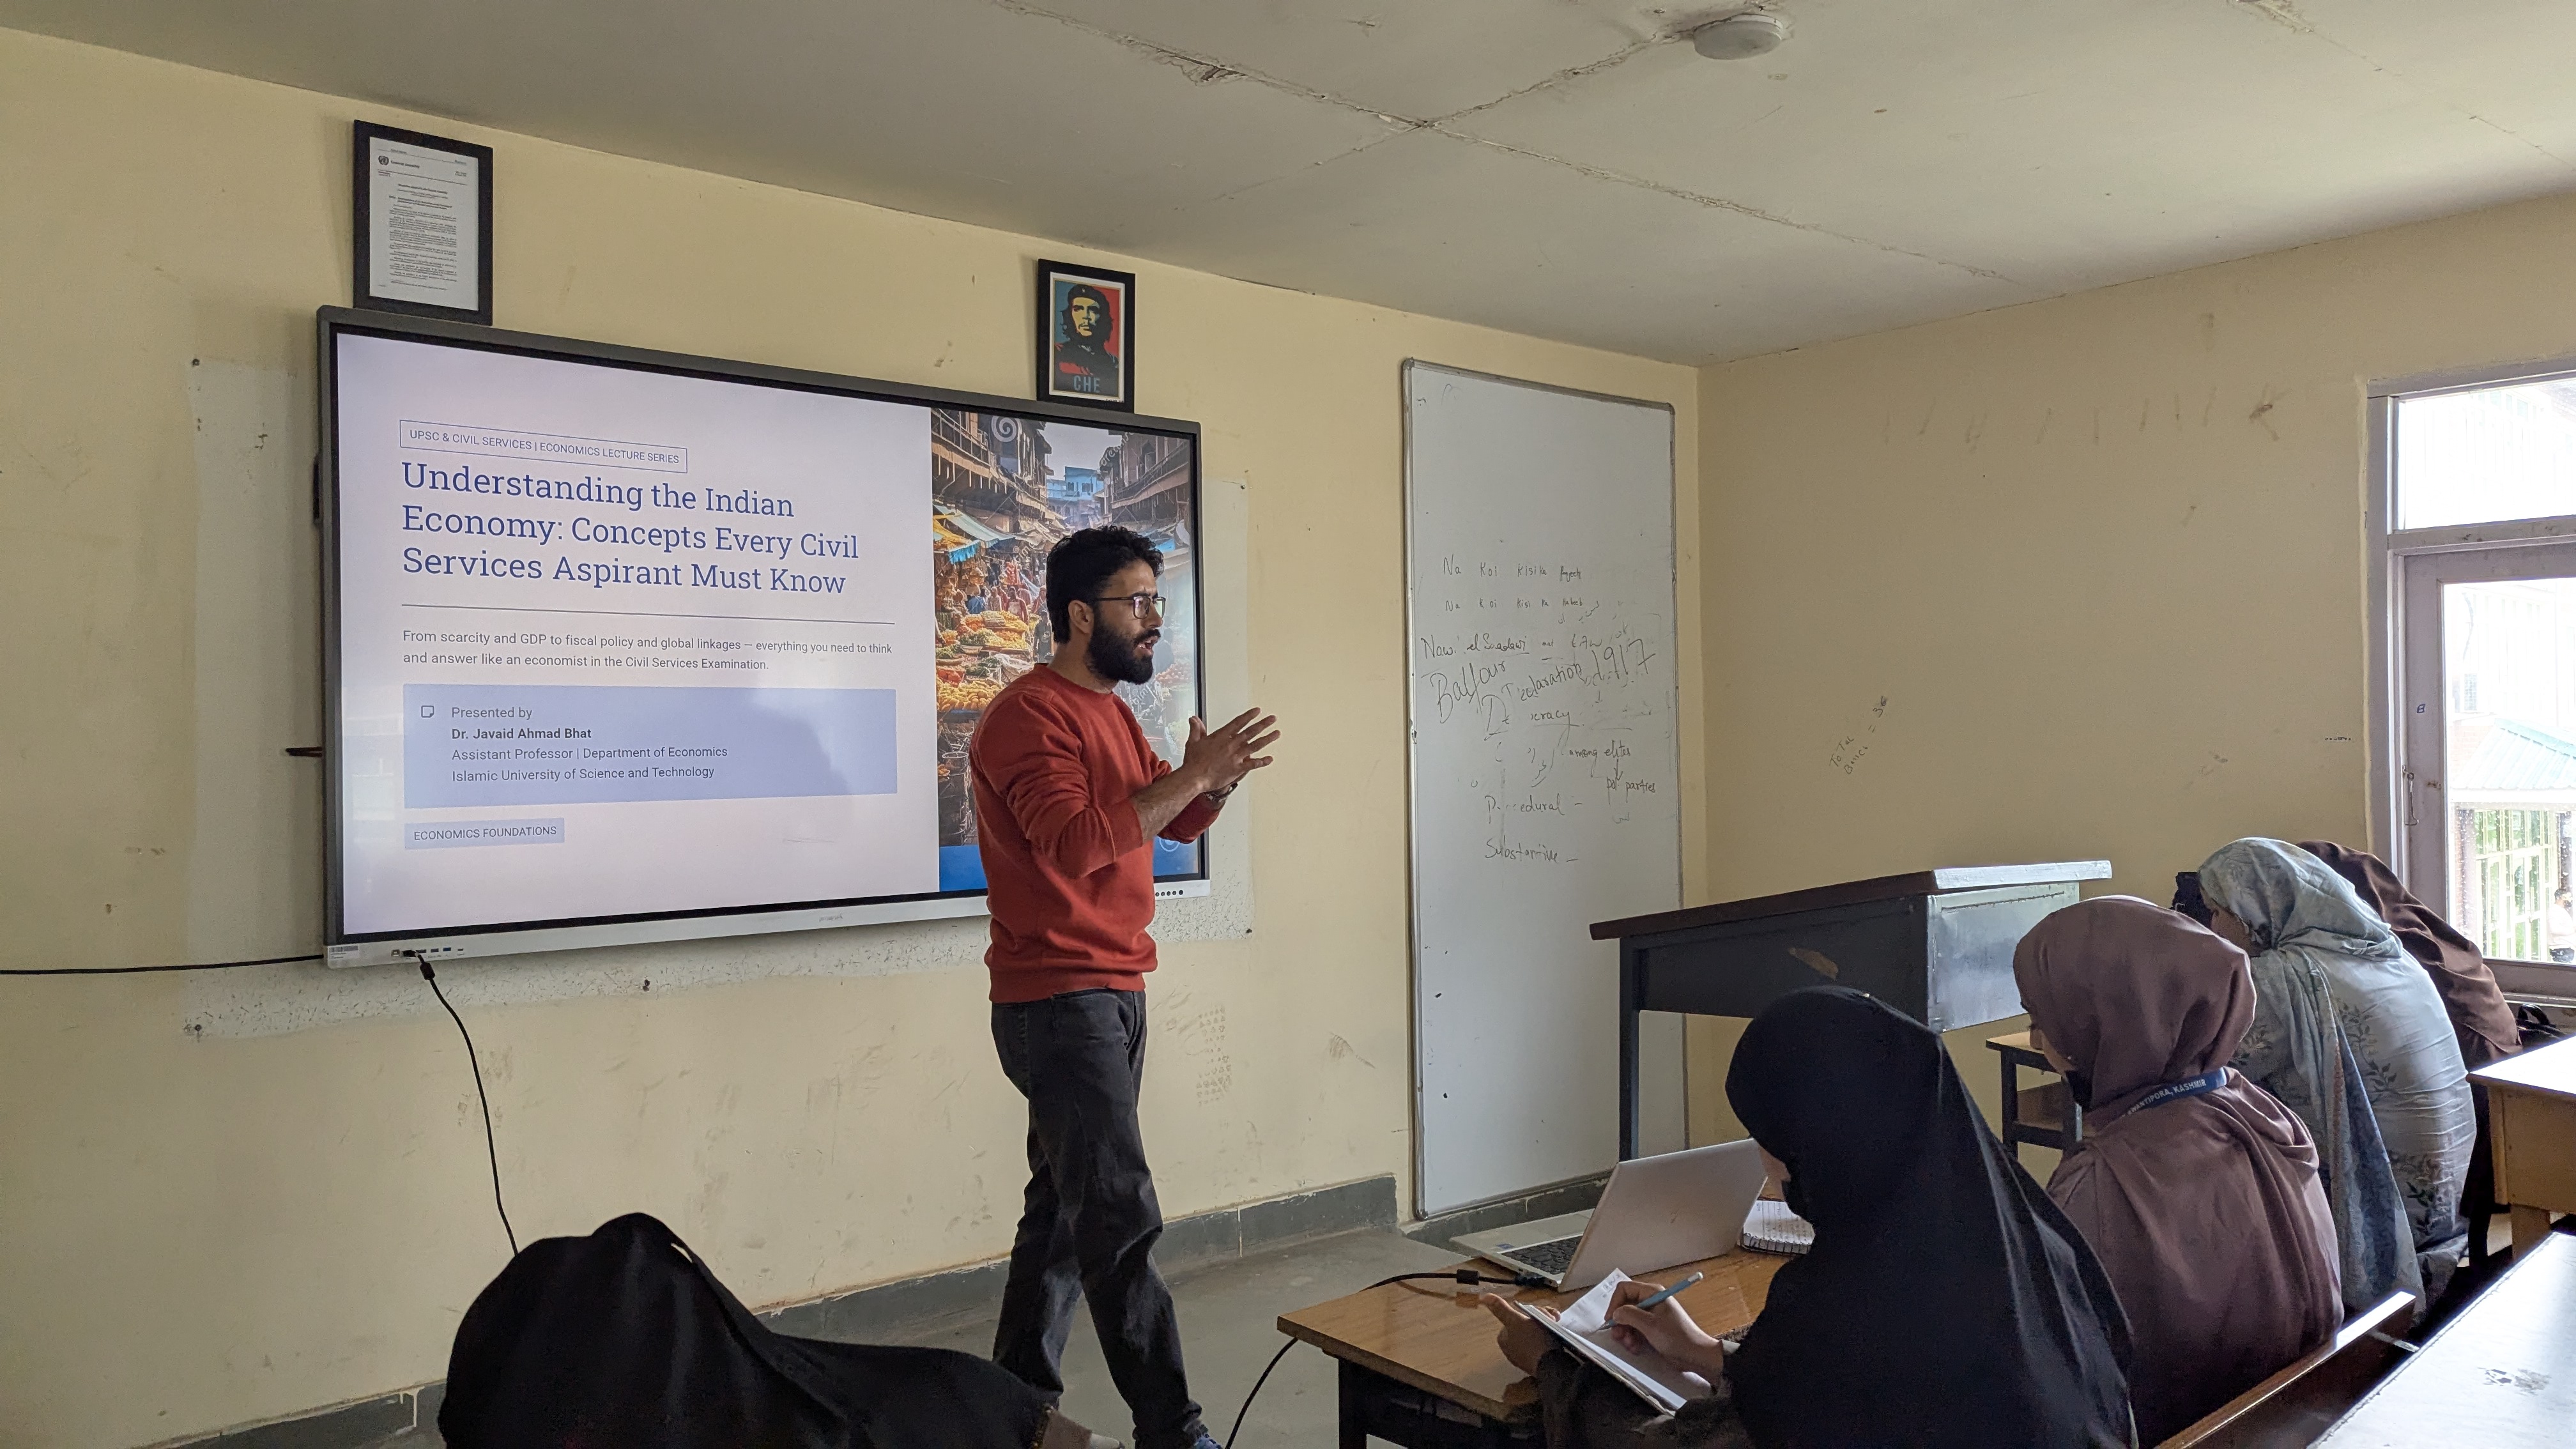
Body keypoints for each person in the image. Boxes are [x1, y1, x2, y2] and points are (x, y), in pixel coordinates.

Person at [1483, 986, 2135, 1448]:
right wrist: (1707, 1354)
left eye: (1768, 1132)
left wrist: (1552, 1366)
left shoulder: (1842, 1311)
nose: (1765, 1156)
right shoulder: (2040, 1252)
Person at [969, 526, 1277, 1449]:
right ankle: (1172, 1430)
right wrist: (1191, 778)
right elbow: (1075, 845)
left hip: (1110, 987)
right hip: (1059, 998)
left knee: (1065, 1218)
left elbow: (1165, 822)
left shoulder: (1110, 712)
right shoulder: (1028, 717)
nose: (1153, 621)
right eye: (1135, 603)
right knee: (1117, 1216)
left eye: (1156, 602)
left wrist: (1210, 786)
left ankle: (1012, 1409)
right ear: (1078, 615)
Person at [2013, 897, 2342, 1443]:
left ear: (2100, 1024)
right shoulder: (2265, 1117)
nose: (2034, 1040)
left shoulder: (2100, 1187)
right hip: (2298, 1422)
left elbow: (2056, 1381)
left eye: (2040, 1020)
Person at [2196, 838, 2475, 1308]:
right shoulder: (2388, 954)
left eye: (2217, 912)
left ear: (2252, 912)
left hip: (2390, 1211)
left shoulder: (2284, 979)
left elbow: (2199, 1060)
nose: (2212, 928)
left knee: (2196, 1140)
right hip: (2448, 1202)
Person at [1053, 284, 1120, 395]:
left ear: (1103, 317)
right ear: (1070, 315)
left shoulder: (1113, 363)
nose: (1086, 316)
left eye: (1093, 310)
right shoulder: (1057, 353)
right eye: (1078, 309)